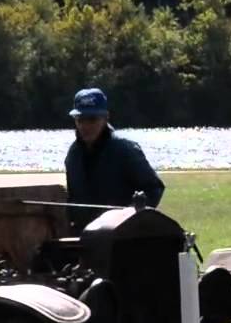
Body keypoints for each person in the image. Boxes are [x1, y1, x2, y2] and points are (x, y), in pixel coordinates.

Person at [63, 87, 164, 231]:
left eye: (92, 119)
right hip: (85, 235)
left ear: (105, 118)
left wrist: (129, 215)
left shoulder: (125, 149)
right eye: (80, 120)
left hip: (125, 234)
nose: (85, 125)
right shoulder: (73, 155)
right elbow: (73, 199)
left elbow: (154, 188)